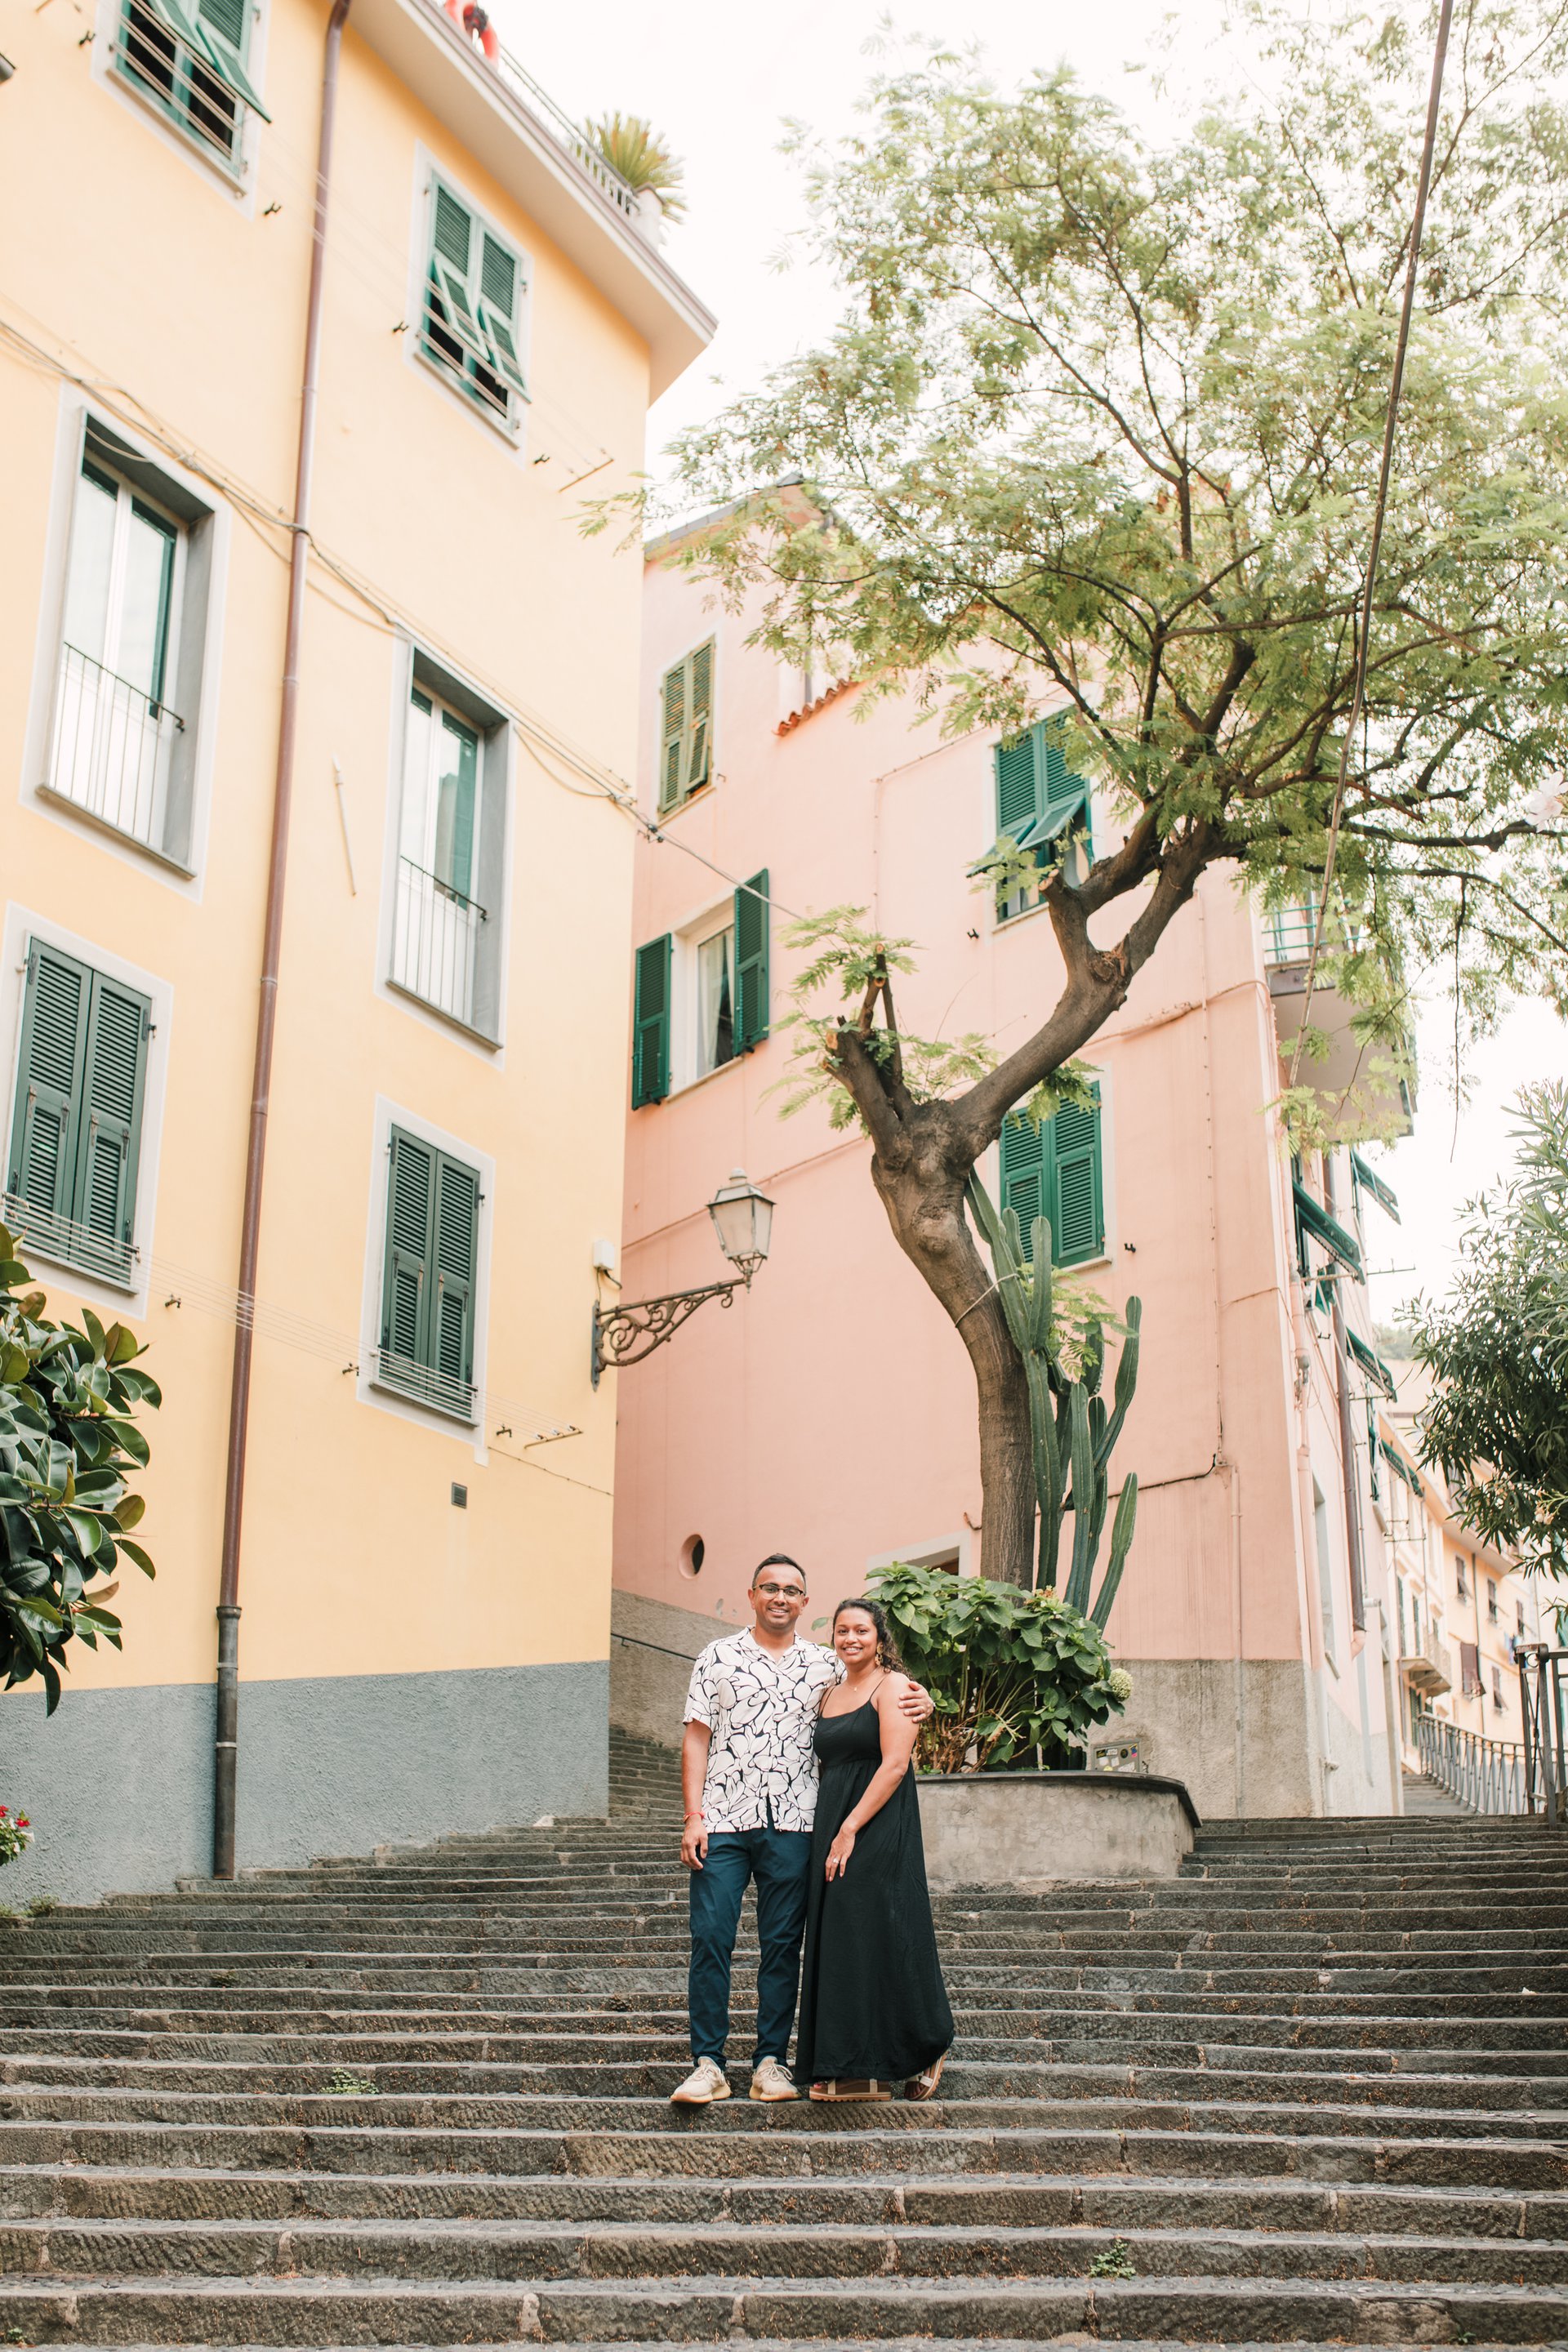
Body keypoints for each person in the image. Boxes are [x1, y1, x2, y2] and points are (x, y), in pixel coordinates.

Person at [669, 1555, 932, 2107]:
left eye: (792, 1590)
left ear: (805, 1603)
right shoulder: (716, 1657)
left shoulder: (826, 1665)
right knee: (711, 1938)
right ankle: (708, 2064)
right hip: (722, 1820)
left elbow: (879, 1687)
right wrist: (693, 1815)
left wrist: (922, 1698)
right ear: (753, 1594)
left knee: (783, 1946)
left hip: (794, 1822)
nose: (780, 1597)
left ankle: (770, 2061)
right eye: (770, 1588)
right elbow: (696, 1738)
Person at [795, 1595, 954, 2102]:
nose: (850, 1639)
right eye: (842, 1631)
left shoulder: (896, 1688)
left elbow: (894, 1766)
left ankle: (925, 2045)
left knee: (884, 1925)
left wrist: (850, 1829)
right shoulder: (828, 1691)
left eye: (861, 1631)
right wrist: (831, 1829)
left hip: (877, 1823)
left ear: (880, 1637)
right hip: (832, 1821)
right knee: (842, 1932)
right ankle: (852, 2064)